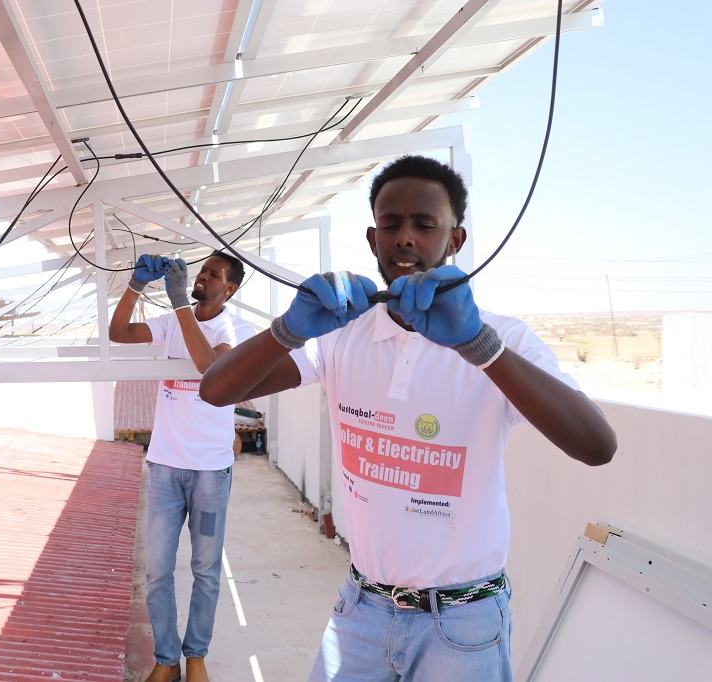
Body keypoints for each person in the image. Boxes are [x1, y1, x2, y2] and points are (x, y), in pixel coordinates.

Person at [198, 155, 617, 682]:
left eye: (425, 224)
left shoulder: (502, 339)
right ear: (372, 239)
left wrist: (478, 346)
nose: (405, 238)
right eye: (391, 224)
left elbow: (597, 445)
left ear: (455, 239)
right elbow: (216, 390)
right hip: (362, 607)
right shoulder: (341, 333)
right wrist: (288, 329)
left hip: (462, 620)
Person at [110, 250, 255, 682]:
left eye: (214, 273)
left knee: (205, 571)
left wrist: (177, 304)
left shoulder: (236, 328)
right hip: (165, 467)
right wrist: (135, 285)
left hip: (210, 470)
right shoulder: (173, 321)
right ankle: (167, 659)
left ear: (229, 289)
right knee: (158, 570)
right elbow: (118, 332)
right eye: (202, 269)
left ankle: (196, 657)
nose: (202, 276)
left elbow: (212, 368)